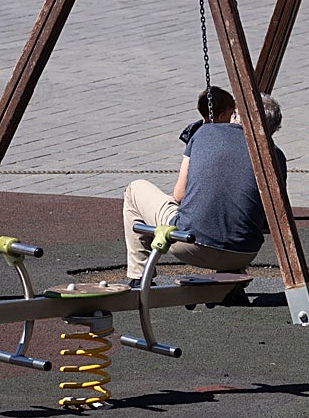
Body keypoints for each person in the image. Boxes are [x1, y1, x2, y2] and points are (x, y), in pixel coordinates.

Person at [121, 88, 284, 290]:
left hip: (188, 243)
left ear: (237, 114)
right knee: (240, 210)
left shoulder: (205, 131)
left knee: (135, 190)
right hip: (244, 251)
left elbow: (179, 195)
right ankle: (232, 279)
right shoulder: (276, 156)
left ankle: (139, 276)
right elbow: (273, 212)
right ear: (272, 130)